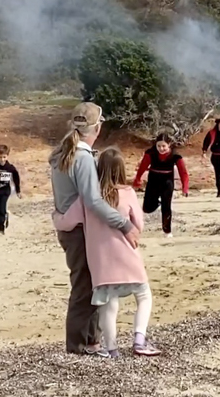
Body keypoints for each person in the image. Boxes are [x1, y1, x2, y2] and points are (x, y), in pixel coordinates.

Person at [50, 102, 138, 357]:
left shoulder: (62, 153)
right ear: (97, 127)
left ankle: (90, 342)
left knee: (87, 283)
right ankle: (79, 345)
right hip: (79, 230)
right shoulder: (83, 158)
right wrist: (125, 224)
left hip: (69, 228)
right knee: (85, 285)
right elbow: (93, 200)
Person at [82, 147, 161, 357]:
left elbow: (70, 219)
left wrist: (58, 217)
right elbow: (139, 225)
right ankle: (139, 340)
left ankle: (111, 349)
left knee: (109, 304)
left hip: (100, 261)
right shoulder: (127, 193)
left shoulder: (90, 196)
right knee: (143, 294)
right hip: (127, 254)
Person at [132, 133, 189, 238]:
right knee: (146, 208)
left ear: (169, 145)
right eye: (159, 146)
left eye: (164, 146)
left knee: (166, 207)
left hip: (167, 182)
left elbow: (183, 173)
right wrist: (137, 179)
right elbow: (142, 167)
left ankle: (167, 231)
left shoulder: (176, 156)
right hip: (153, 180)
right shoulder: (151, 153)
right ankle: (158, 203)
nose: (161, 149)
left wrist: (184, 188)